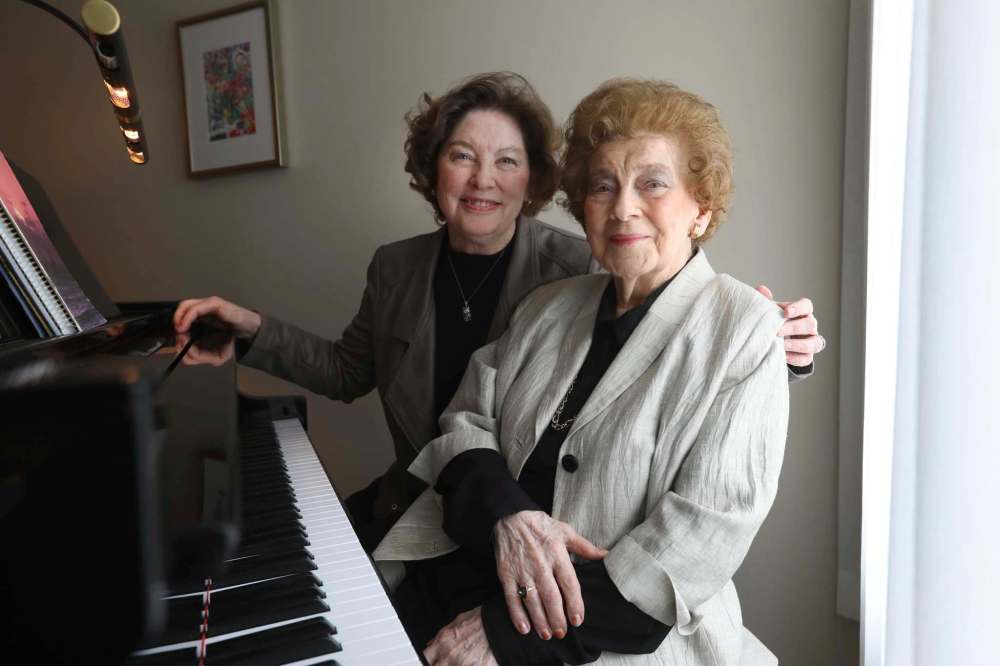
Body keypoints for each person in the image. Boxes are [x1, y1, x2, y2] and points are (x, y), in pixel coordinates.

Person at [172, 71, 822, 560]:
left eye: (506, 161)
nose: (483, 178)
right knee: (263, 558)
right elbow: (348, 372)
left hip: (528, 524)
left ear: (534, 179)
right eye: (462, 155)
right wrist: (248, 332)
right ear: (433, 171)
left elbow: (662, 321)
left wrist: (776, 346)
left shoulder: (579, 261)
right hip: (419, 504)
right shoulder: (395, 267)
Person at [374, 78, 791, 665]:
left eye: (652, 183)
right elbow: (465, 418)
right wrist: (508, 515)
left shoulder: (741, 329)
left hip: (601, 638)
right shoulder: (551, 305)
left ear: (700, 206)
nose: (623, 206)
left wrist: (498, 634)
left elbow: (694, 545)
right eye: (603, 185)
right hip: (459, 574)